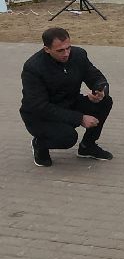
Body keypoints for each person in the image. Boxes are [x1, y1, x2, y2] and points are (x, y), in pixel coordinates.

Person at [20, 27, 113, 168]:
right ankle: (40, 144)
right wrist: (79, 118)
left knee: (105, 101)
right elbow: (40, 106)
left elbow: (95, 77)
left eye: (68, 48)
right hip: (40, 116)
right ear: (47, 49)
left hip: (69, 103)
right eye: (60, 50)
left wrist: (100, 90)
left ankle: (87, 146)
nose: (66, 53)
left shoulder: (78, 55)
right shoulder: (33, 68)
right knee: (68, 138)